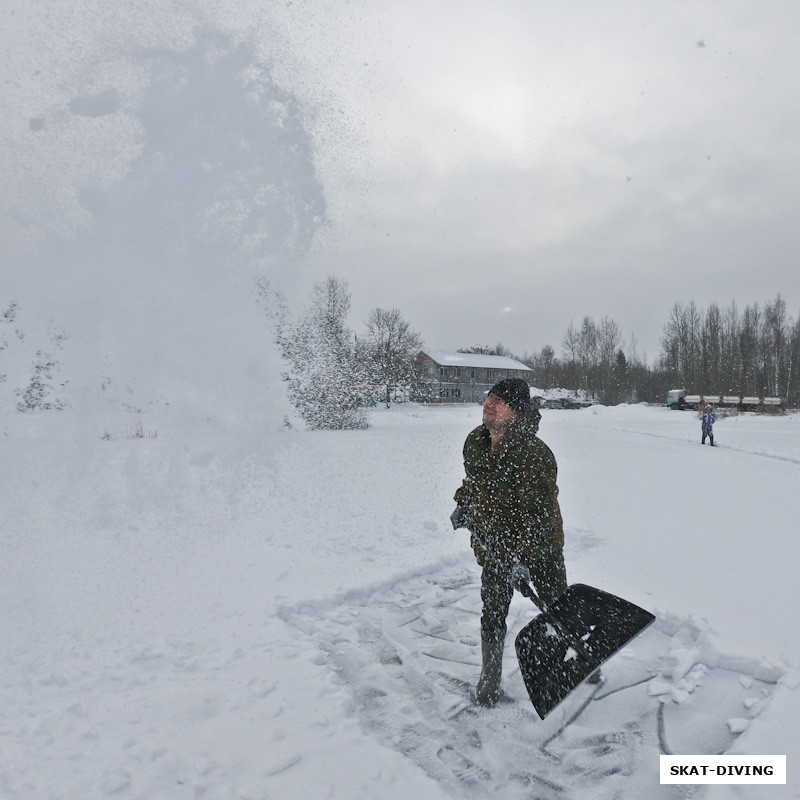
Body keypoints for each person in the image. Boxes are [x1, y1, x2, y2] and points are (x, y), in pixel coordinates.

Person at [451, 378, 599, 706]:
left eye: (499, 401)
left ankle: (588, 658)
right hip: (494, 547)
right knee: (492, 613)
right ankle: (489, 682)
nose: (489, 403)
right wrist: (462, 503)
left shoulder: (535, 455)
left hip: (540, 548)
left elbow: (540, 516)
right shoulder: (475, 442)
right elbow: (474, 482)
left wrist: (521, 558)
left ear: (516, 413)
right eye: (490, 397)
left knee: (557, 610)